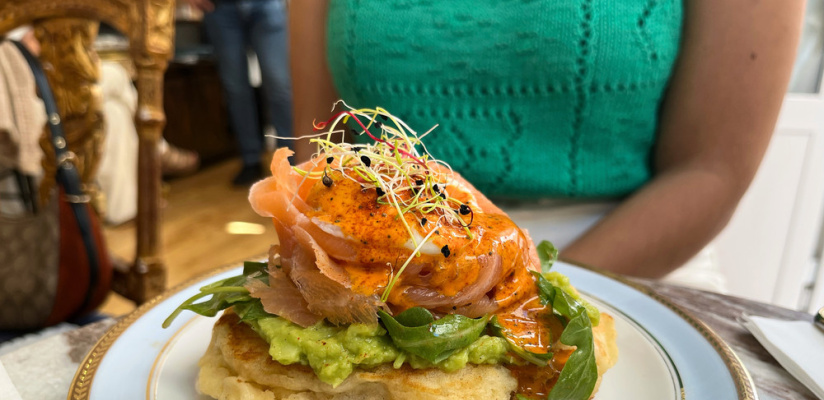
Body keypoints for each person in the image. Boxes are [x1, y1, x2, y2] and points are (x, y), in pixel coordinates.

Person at [289, 0, 804, 286]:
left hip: (633, 265)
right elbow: (320, 147)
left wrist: (513, 290)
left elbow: (711, 170)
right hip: (384, 260)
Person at [185, 0, 294, 185]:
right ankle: (250, 159)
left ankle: (290, 159)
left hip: (266, 4)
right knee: (235, 89)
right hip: (220, 8)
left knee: (280, 85)